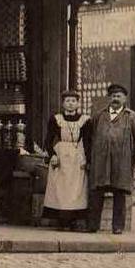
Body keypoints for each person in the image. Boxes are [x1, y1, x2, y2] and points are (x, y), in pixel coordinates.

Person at [86, 83, 135, 235]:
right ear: (109, 98)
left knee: (119, 193)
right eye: (113, 96)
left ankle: (118, 226)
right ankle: (93, 225)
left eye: (119, 96)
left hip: (122, 161)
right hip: (101, 161)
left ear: (124, 98)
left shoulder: (131, 117)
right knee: (96, 192)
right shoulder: (99, 116)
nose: (115, 99)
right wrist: (89, 157)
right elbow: (89, 137)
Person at [43, 90, 93, 231]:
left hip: (78, 155)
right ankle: (61, 220)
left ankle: (75, 220)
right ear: (63, 103)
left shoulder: (85, 120)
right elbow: (48, 140)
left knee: (76, 187)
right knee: (60, 187)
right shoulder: (56, 119)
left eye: (73, 101)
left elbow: (89, 141)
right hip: (61, 155)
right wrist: (52, 154)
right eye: (67, 101)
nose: (70, 104)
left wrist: (87, 159)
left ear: (78, 103)